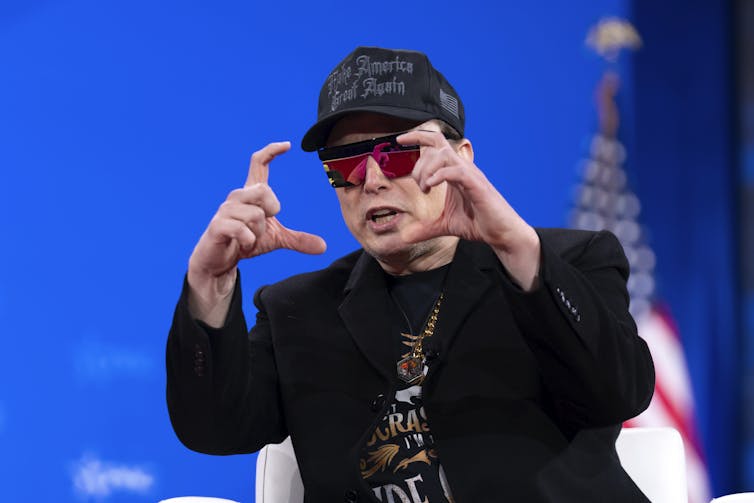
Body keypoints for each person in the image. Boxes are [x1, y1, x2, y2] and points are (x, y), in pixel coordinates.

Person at [166, 46, 655, 502]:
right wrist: (210, 284)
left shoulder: (570, 261)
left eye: (397, 153)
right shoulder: (298, 310)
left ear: (461, 159)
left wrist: (517, 249)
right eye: (347, 164)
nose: (373, 180)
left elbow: (617, 393)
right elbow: (214, 428)